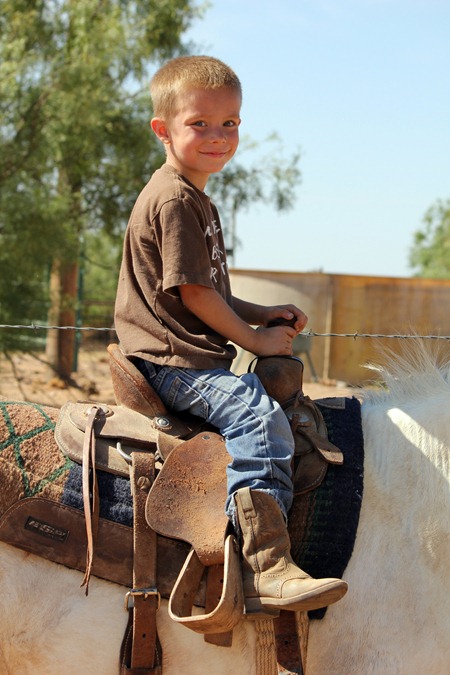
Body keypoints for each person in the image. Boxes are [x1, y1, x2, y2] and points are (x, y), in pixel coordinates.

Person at [114, 55, 347, 615]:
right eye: (199, 124)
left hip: (185, 353)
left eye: (230, 123)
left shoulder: (195, 197)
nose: (218, 136)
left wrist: (262, 312)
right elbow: (195, 295)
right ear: (163, 129)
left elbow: (209, 289)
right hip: (172, 360)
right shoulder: (174, 200)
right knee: (256, 418)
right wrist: (254, 340)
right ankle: (266, 564)